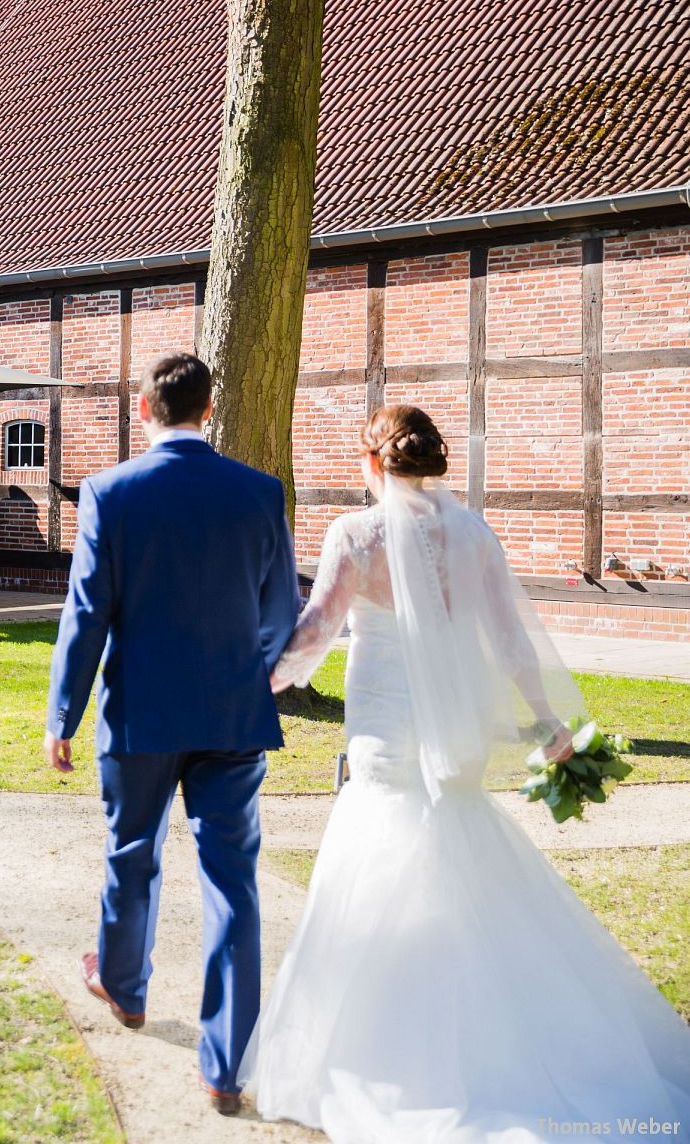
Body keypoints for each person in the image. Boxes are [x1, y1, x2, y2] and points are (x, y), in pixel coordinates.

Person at [242, 405, 690, 1133]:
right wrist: (548, 719)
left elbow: (316, 633)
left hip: (385, 733)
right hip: (454, 741)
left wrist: (256, 681)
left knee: (373, 868)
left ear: (375, 464)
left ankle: (378, 1054)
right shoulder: (474, 532)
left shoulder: (356, 533)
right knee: (459, 856)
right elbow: (512, 639)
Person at [43, 351, 300, 1116]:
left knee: (131, 853)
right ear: (208, 410)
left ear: (145, 411)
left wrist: (64, 714)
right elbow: (282, 610)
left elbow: (87, 614)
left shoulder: (110, 492)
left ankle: (123, 987)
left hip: (141, 714)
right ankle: (225, 1067)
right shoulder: (259, 493)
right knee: (233, 883)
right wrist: (242, 671)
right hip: (231, 715)